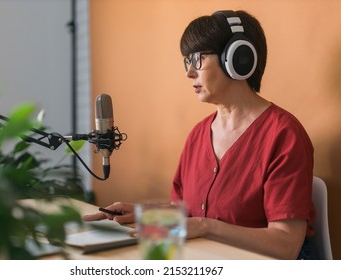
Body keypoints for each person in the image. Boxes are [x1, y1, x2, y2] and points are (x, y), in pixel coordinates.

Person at [84, 10, 317, 260]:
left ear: (238, 58)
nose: (189, 73)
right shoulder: (198, 135)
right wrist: (140, 214)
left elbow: (286, 245)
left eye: (198, 59)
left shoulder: (284, 134)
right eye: (187, 61)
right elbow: (185, 211)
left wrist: (207, 226)